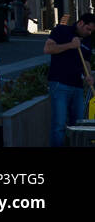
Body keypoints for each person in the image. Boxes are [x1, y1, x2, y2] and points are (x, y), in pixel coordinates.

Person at [44, 12, 95, 146]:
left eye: (92, 31)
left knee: (78, 125)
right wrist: (70, 45)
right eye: (88, 29)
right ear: (80, 23)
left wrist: (88, 75)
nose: (89, 33)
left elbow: (86, 61)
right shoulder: (62, 30)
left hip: (77, 86)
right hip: (59, 84)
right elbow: (48, 48)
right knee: (59, 125)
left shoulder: (88, 39)